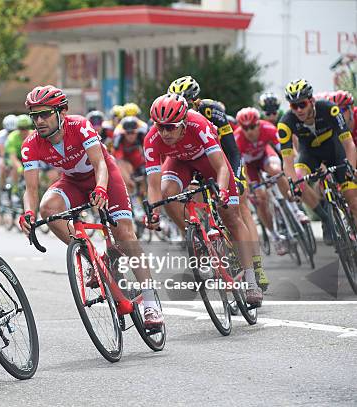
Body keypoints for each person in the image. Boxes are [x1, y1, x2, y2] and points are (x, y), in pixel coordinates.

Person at [18, 85, 164, 326]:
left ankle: (150, 302)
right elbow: (31, 189)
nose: (39, 121)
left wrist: (101, 188)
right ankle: (89, 257)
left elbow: (101, 165)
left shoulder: (80, 126)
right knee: (48, 209)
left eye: (45, 114)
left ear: (61, 113)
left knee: (125, 235)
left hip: (103, 176)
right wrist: (28, 213)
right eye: (35, 116)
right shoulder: (31, 144)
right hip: (73, 182)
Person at [144, 93, 263, 305]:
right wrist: (153, 211)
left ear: (183, 122)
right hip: (179, 162)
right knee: (165, 193)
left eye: (170, 127)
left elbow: (221, 167)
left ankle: (251, 280)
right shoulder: (152, 138)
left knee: (232, 218)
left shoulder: (198, 124)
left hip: (207, 160)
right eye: (159, 126)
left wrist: (223, 192)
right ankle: (196, 239)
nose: (164, 132)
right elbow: (153, 184)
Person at [168, 76, 268, 290]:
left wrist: (238, 177)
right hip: (195, 162)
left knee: (239, 207)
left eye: (189, 102)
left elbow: (232, 150)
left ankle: (256, 265)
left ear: (197, 101)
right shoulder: (172, 118)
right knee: (191, 198)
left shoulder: (212, 111)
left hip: (222, 160)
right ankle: (205, 237)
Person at [278, 79, 357, 245]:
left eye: (302, 104)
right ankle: (326, 218)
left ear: (311, 101)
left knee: (352, 199)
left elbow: (348, 143)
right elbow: (287, 160)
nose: (298, 110)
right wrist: (293, 184)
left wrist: (350, 167)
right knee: (298, 180)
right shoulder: (286, 123)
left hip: (335, 150)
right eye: (294, 106)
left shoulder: (329, 109)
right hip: (310, 154)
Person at [235, 107, 307, 255]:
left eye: (253, 126)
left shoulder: (267, 127)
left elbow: (286, 150)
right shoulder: (238, 139)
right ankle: (274, 236)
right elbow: (241, 169)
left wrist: (292, 165)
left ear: (258, 123)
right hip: (249, 167)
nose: (250, 131)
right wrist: (251, 186)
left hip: (265, 157)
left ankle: (295, 210)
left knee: (277, 172)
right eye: (245, 128)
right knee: (260, 199)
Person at [112, 116, 147, 194]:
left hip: (139, 163)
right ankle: (131, 195)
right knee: (123, 166)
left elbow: (149, 155)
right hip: (127, 166)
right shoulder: (119, 140)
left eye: (133, 132)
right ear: (123, 133)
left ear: (137, 132)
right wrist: (128, 179)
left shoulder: (141, 137)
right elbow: (119, 162)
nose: (131, 135)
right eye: (128, 133)